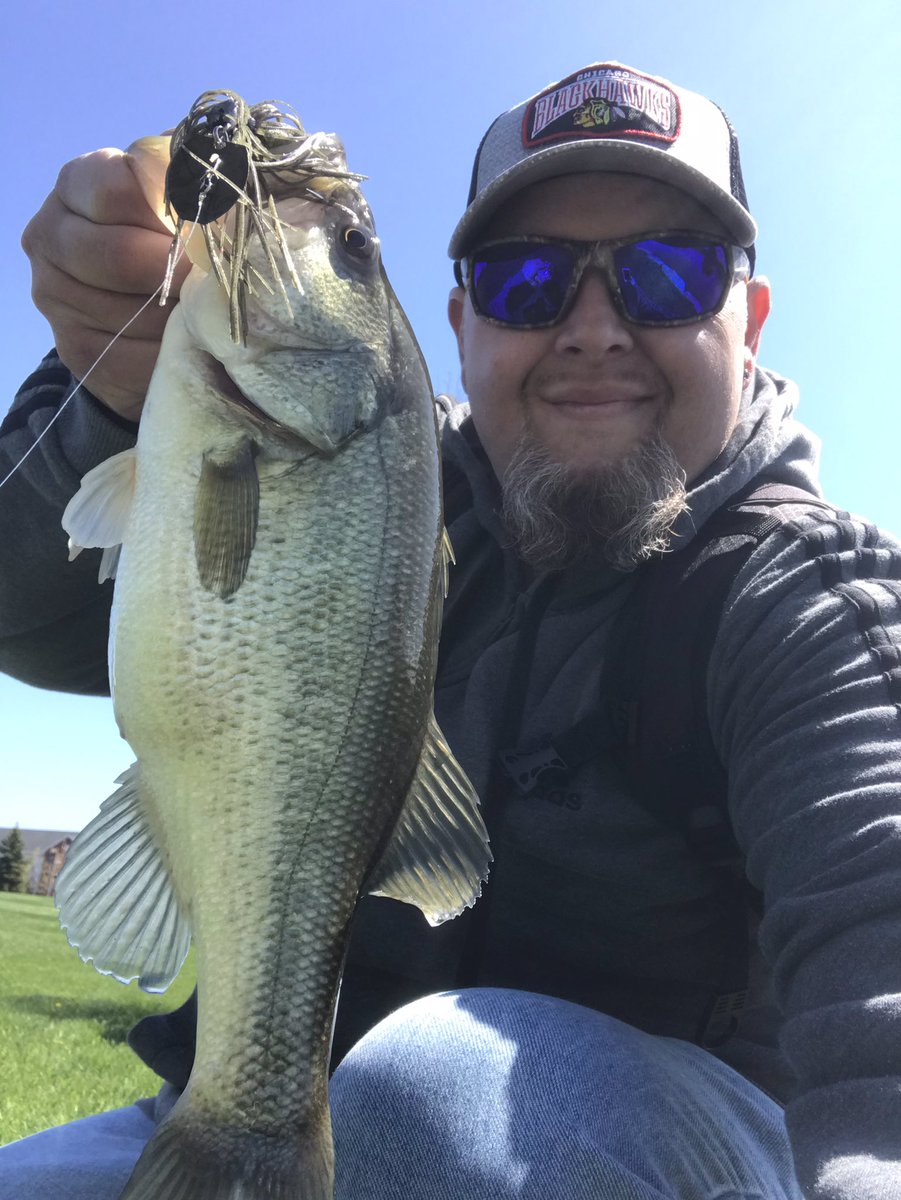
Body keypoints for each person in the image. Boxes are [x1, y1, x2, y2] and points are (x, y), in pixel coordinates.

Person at [1, 59, 899, 1200]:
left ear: (749, 320)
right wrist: (103, 391)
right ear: (461, 318)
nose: (592, 328)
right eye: (527, 279)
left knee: (432, 1101)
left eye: (668, 274)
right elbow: (19, 614)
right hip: (258, 1107)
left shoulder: (810, 601)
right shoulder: (377, 471)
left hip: (646, 1147)